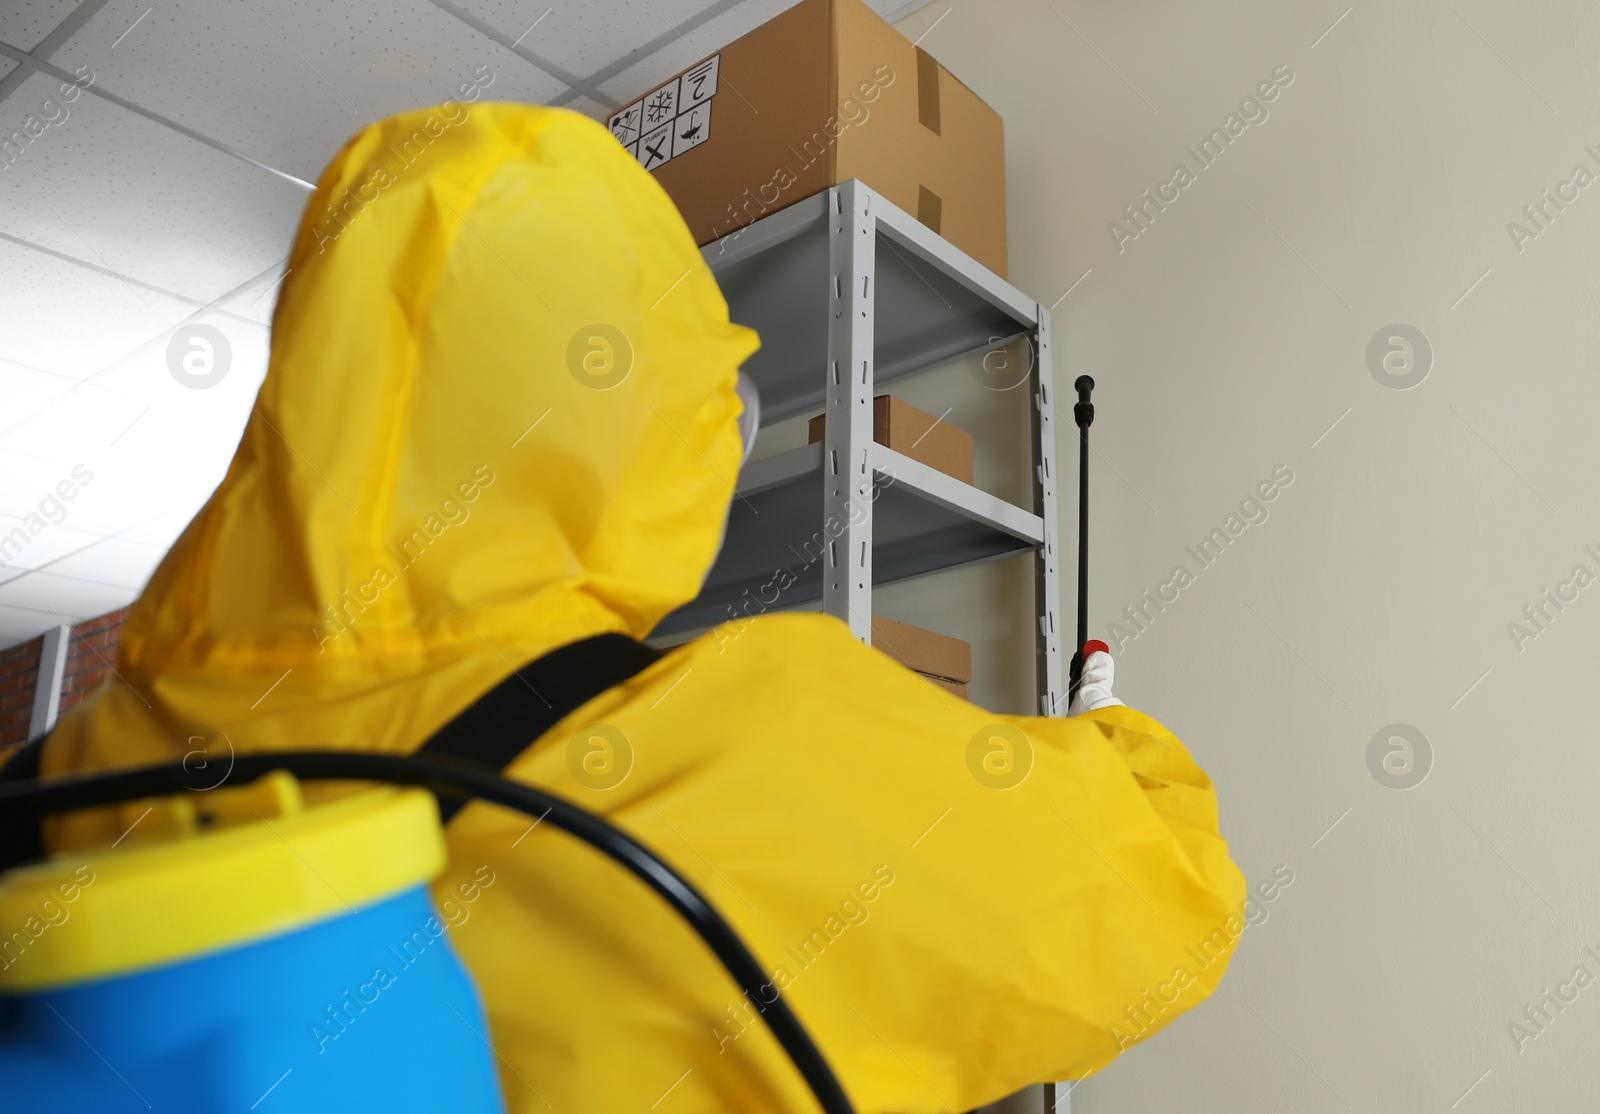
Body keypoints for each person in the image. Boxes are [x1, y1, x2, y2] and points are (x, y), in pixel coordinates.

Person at [29, 103, 1244, 1112]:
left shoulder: (92, 751)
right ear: (653, 420)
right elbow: (1160, 904)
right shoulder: (755, 743)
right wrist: (1119, 741)